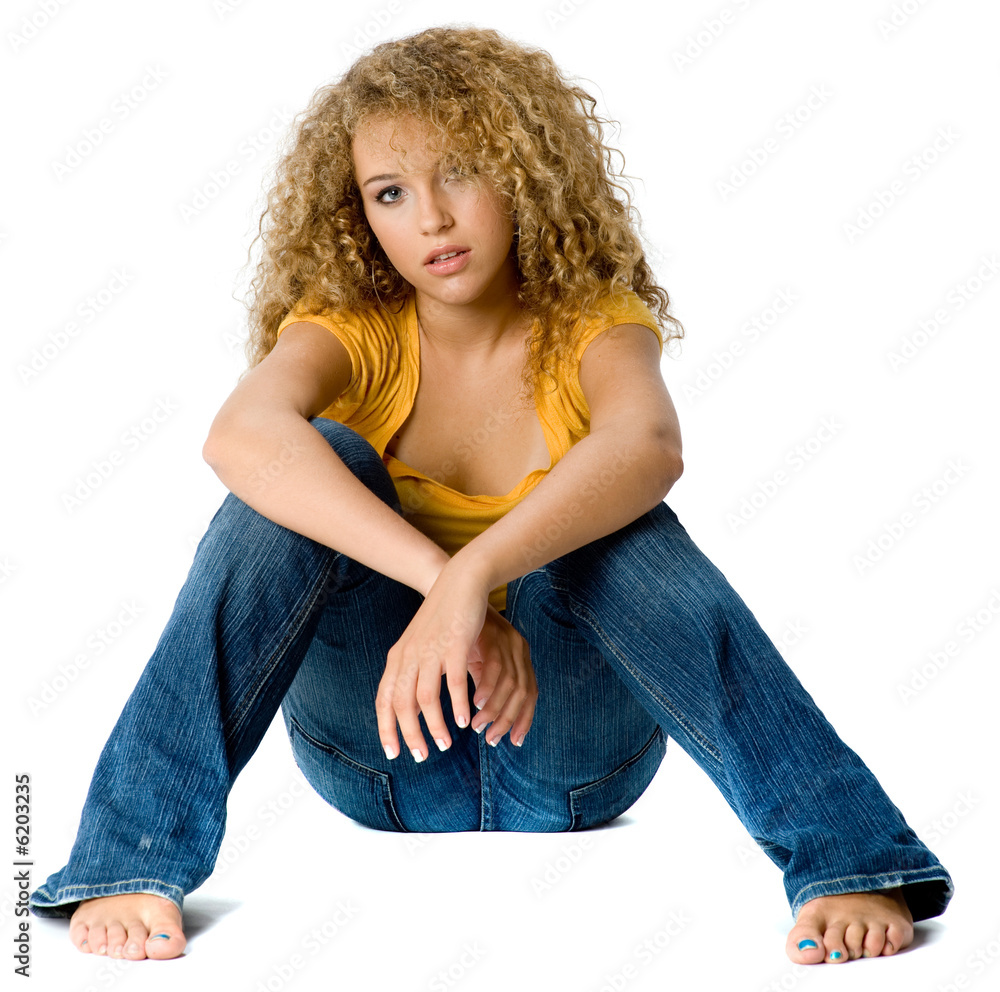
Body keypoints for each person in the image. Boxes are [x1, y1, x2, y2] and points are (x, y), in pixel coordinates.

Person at [30, 24, 953, 965]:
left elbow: (650, 445)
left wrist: (485, 574)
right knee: (309, 466)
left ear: (523, 174)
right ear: (361, 218)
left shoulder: (594, 327)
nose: (431, 218)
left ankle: (847, 856)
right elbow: (239, 436)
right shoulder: (350, 332)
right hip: (382, 754)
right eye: (391, 193)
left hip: (573, 754)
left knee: (607, 506)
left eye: (461, 172)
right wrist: (449, 586)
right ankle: (130, 857)